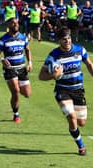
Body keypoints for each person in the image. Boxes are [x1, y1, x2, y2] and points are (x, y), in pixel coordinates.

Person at [38, 26, 93, 155]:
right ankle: (81, 146)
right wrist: (53, 76)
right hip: (62, 91)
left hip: (78, 90)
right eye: (64, 39)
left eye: (69, 38)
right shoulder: (53, 56)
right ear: (59, 41)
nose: (67, 41)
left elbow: (89, 64)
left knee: (81, 122)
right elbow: (41, 76)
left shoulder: (80, 50)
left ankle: (76, 132)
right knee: (72, 117)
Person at [0, 18, 32, 123]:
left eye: (17, 23)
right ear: (8, 25)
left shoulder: (23, 37)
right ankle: (16, 114)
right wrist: (2, 59)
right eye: (13, 23)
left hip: (22, 68)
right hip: (10, 69)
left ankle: (18, 86)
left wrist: (30, 63)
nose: (16, 25)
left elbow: (27, 49)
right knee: (15, 92)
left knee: (27, 94)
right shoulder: (3, 39)